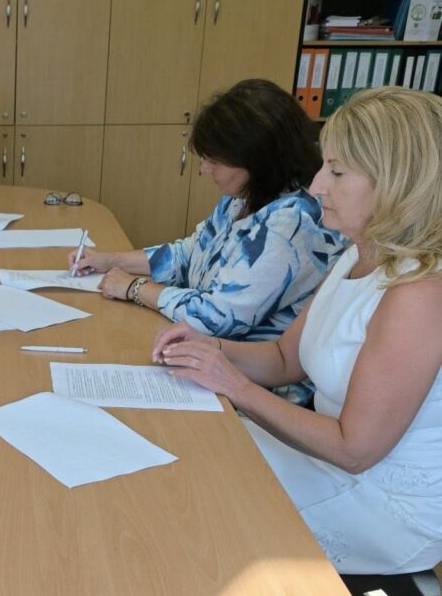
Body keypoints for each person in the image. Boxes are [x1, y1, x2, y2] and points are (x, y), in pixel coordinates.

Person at [153, 87, 442, 575]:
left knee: (194, 502)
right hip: (326, 460)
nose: (316, 185)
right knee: (187, 451)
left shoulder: (418, 292)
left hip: (379, 503)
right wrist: (208, 347)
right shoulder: (357, 252)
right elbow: (286, 359)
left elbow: (355, 450)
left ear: (397, 182)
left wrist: (234, 387)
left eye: (337, 172)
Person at [69, 79, 344, 402]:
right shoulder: (245, 197)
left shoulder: (291, 224)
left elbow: (217, 318)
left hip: (256, 390)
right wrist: (110, 260)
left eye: (214, 160)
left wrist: (135, 288)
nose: (203, 169)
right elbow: (190, 253)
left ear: (255, 158)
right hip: (212, 364)